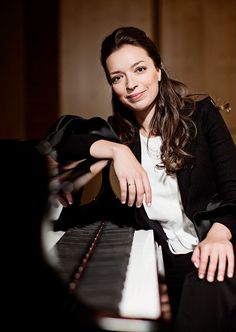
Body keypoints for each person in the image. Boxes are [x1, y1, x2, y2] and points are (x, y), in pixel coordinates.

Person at [42, 27, 236, 332]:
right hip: (158, 253)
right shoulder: (118, 133)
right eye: (117, 77)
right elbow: (62, 139)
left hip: (211, 247)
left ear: (158, 70)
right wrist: (117, 151)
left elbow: (234, 190)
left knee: (207, 290)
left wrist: (220, 234)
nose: (131, 84)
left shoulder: (202, 116)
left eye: (140, 69)